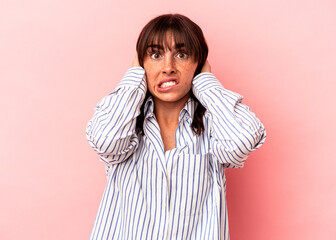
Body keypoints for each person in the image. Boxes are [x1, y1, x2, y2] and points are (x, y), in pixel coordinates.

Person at [86, 13, 266, 240]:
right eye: (155, 55)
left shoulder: (214, 127)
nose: (168, 67)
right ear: (141, 64)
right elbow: (106, 141)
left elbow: (242, 141)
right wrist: (134, 79)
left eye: (181, 54)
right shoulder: (126, 125)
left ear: (198, 64)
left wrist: (206, 83)